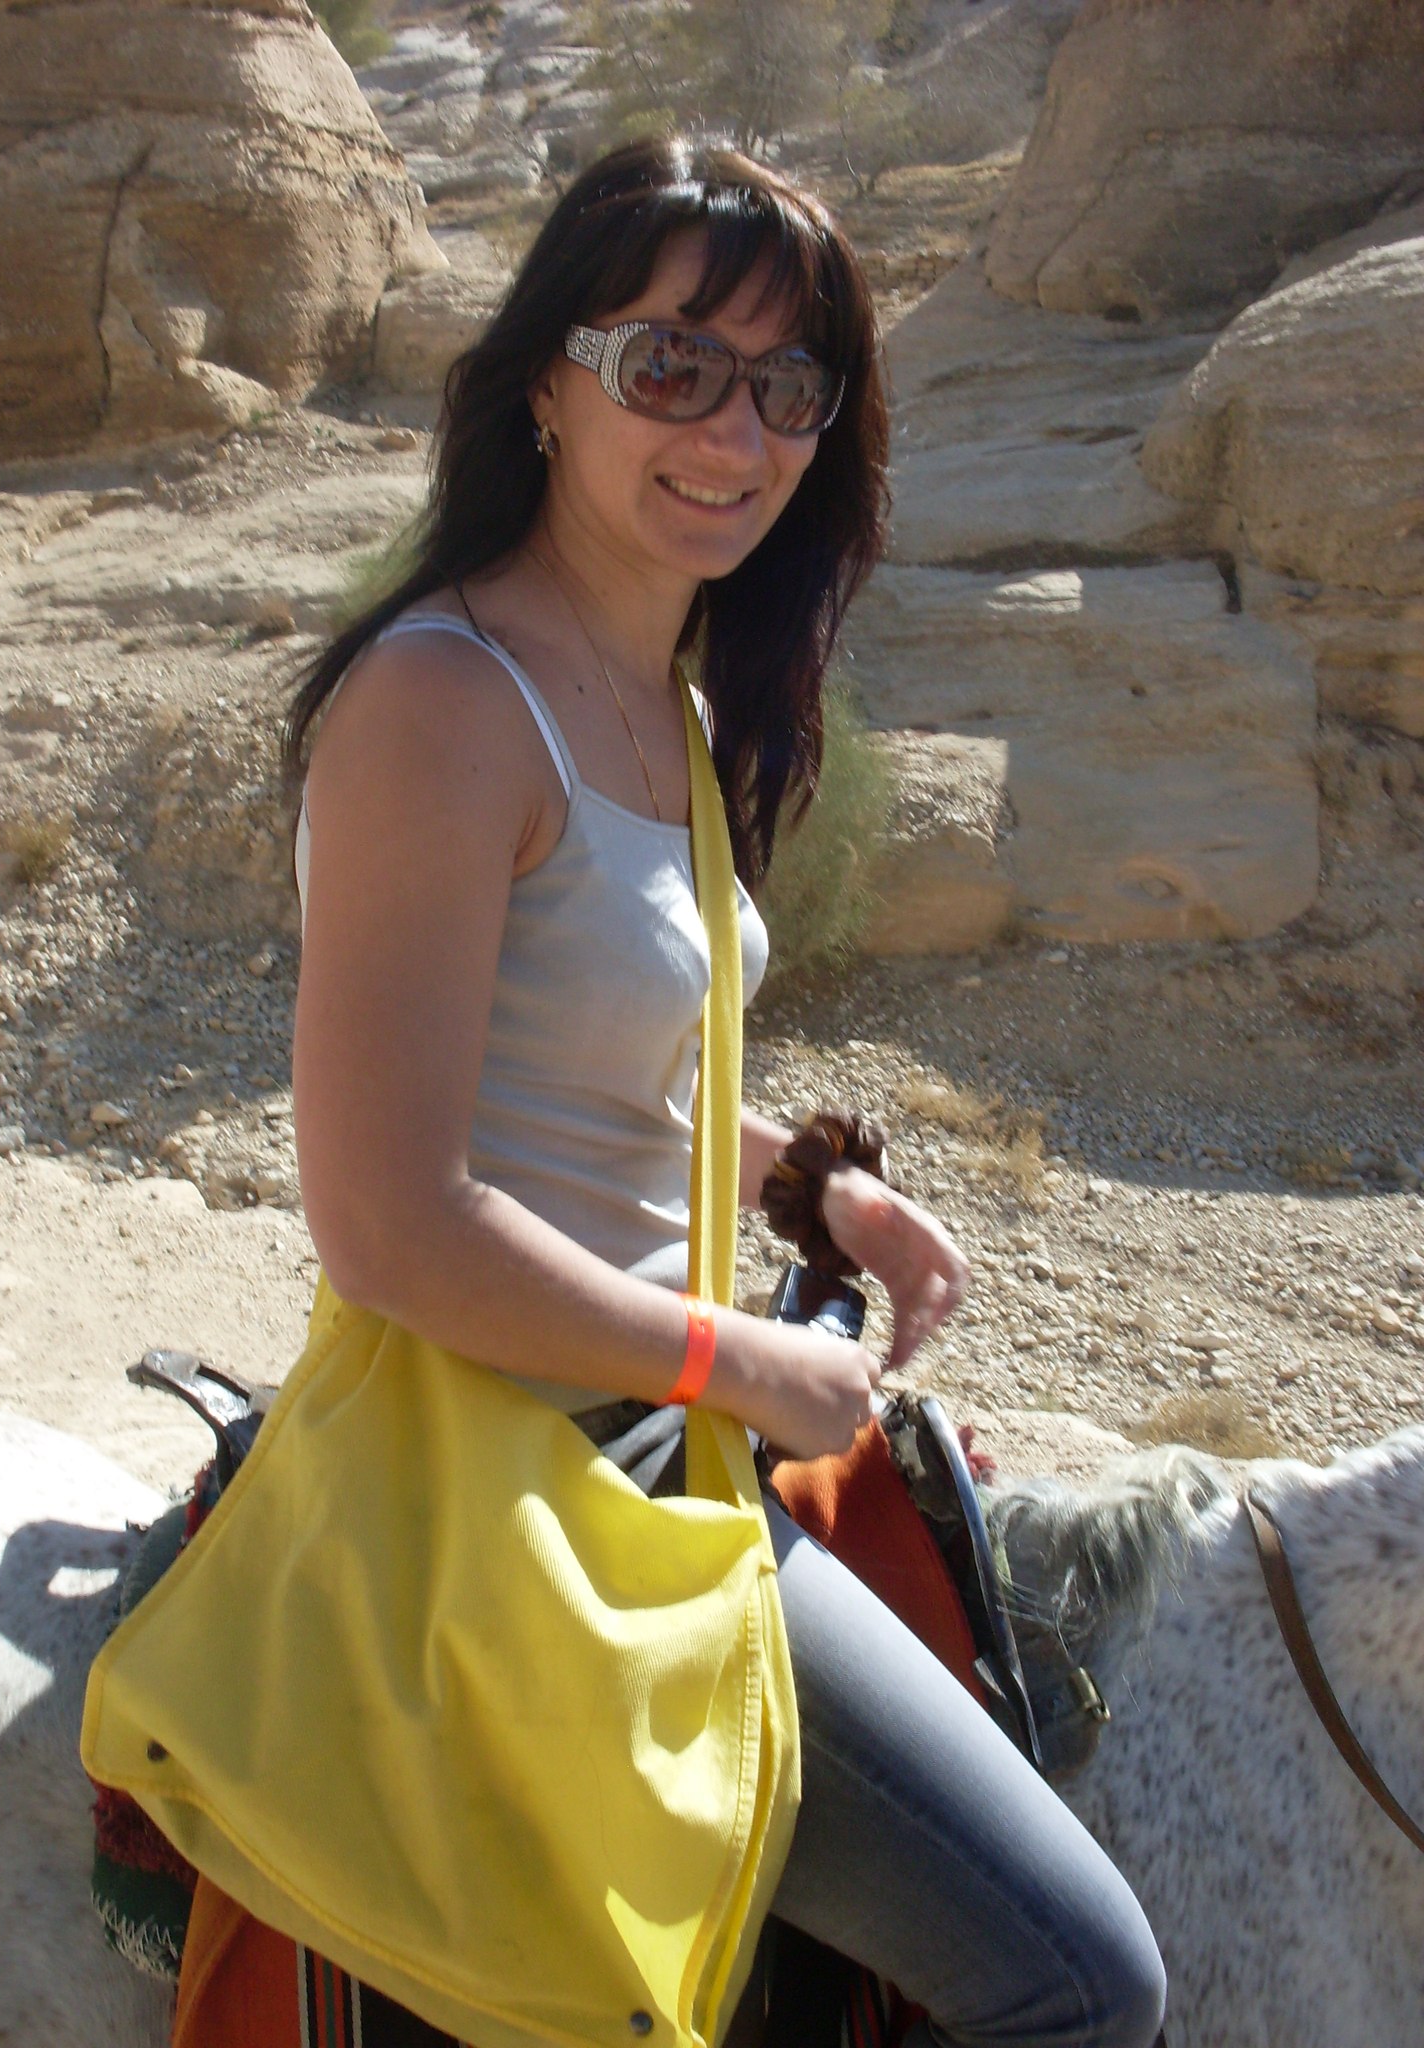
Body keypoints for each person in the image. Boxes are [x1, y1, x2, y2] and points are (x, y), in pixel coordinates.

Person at [283, 138, 1167, 2048]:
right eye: (671, 365)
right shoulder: (445, 702)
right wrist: (739, 1362)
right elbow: (389, 1219)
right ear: (547, 382)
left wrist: (807, 1192)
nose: (736, 434)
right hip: (520, 1452)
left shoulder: (657, 690)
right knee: (1082, 1982)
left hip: (646, 1404)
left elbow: (587, 1077)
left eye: (788, 387)